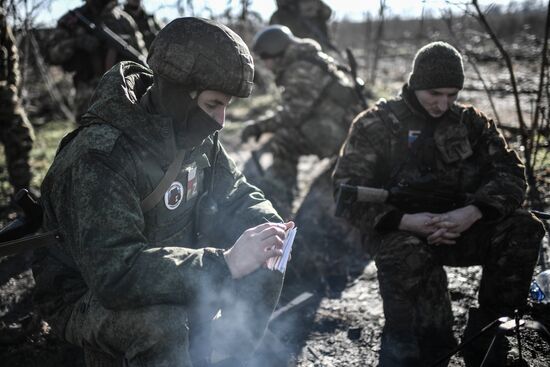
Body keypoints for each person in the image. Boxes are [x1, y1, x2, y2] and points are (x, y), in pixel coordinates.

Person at [32, 17, 293, 367]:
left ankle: (223, 357)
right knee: (161, 325)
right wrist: (225, 262)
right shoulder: (99, 157)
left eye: (226, 105)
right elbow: (116, 273)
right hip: (87, 292)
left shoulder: (195, 132)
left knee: (265, 257)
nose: (221, 121)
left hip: (174, 265)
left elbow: (236, 193)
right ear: (178, 95)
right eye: (213, 104)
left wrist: (268, 229)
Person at [333, 41, 545, 367]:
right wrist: (406, 221)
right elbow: (346, 194)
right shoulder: (375, 125)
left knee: (524, 228)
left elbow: (511, 175)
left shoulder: (472, 124)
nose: (443, 104)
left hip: (463, 227)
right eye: (434, 93)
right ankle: (423, 349)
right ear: (415, 84)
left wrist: (472, 212)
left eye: (452, 95)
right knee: (422, 323)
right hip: (401, 232)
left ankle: (489, 341)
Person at [242, 25, 362, 218]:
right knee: (284, 134)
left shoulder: (300, 69)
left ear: (275, 53)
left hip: (343, 132)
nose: (264, 64)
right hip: (342, 125)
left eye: (265, 58)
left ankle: (281, 201)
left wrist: (259, 126)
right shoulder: (306, 59)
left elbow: (293, 114)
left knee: (283, 140)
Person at [46, 0, 146, 123]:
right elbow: (52, 55)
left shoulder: (123, 20)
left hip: (124, 94)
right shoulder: (73, 19)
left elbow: (140, 55)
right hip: (88, 97)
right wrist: (76, 42)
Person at [0, 1, 34, 194]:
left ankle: (23, 192)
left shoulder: (1, 17)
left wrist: (12, 84)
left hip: (3, 95)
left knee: (21, 138)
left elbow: (10, 50)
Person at [269, 0, 333, 52]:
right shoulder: (278, 16)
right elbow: (274, 39)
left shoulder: (309, 3)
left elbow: (327, 13)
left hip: (321, 46)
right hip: (296, 53)